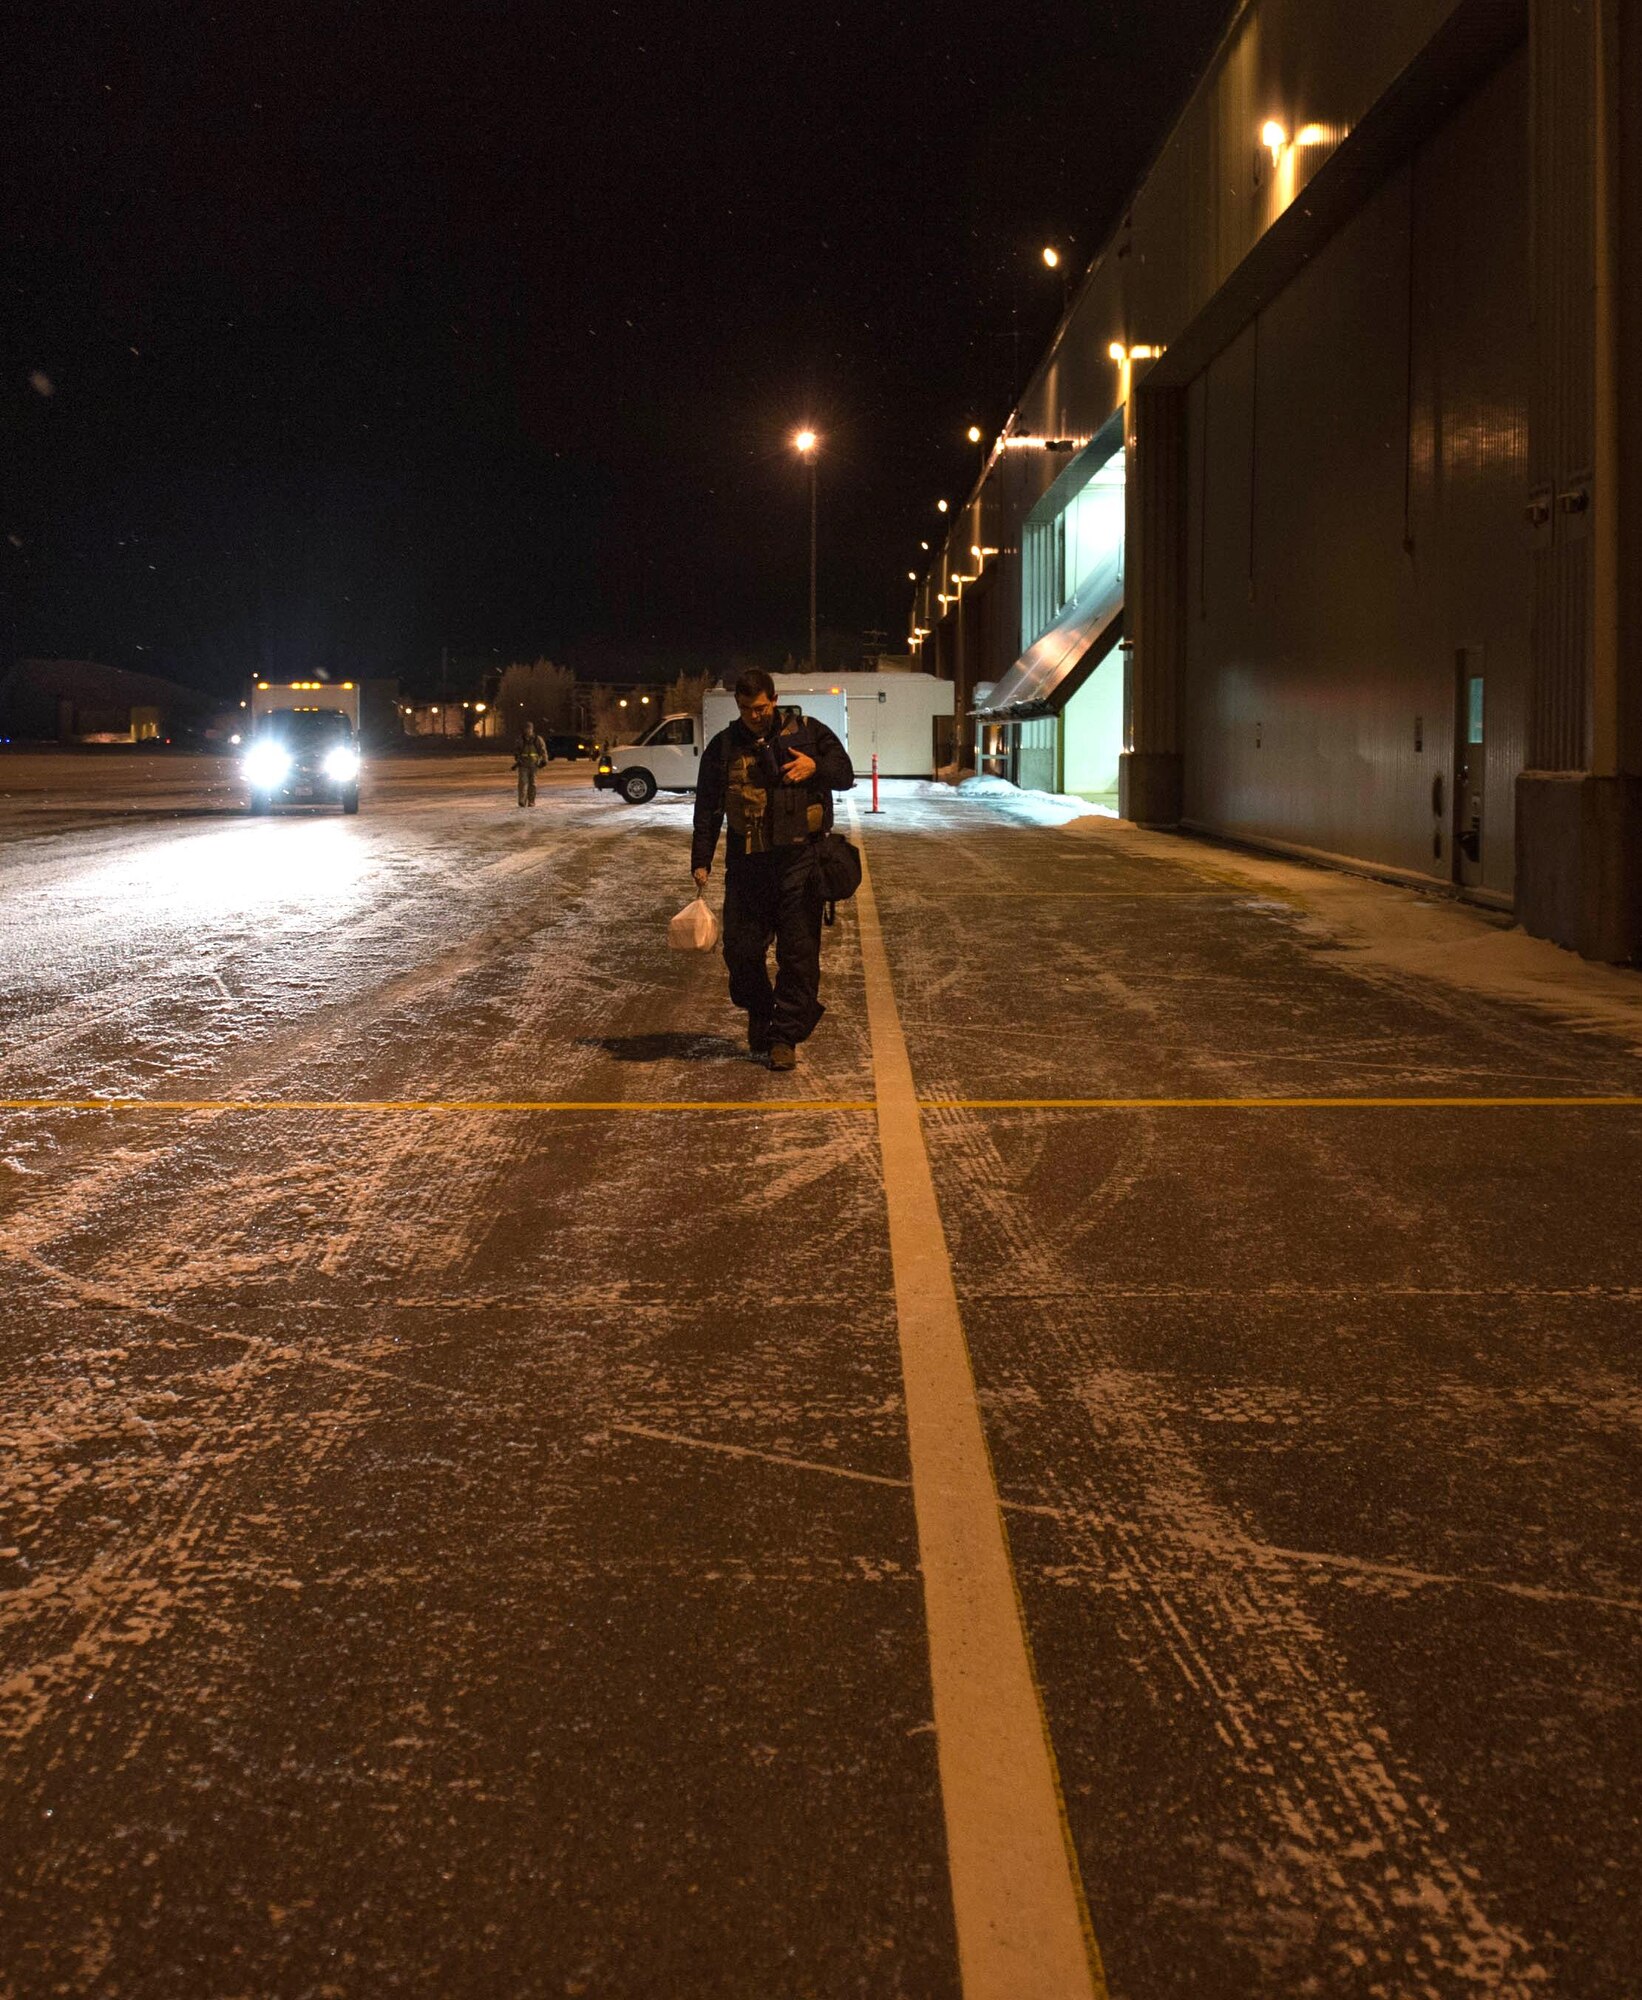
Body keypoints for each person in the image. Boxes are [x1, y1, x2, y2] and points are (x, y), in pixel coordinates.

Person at [691, 669, 854, 1071]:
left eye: (761, 707)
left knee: (798, 957)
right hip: (747, 866)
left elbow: (846, 775)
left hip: (800, 863)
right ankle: (761, 1011)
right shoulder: (724, 746)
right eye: (746, 709)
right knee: (741, 953)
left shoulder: (810, 733)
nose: (755, 716)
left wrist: (816, 767)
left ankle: (784, 1037)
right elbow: (708, 807)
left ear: (775, 699)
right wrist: (701, 859)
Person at [513, 723, 546, 806]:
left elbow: (543, 750)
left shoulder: (537, 739)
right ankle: (522, 801)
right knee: (522, 783)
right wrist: (517, 757)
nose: (528, 730)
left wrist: (544, 760)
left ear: (532, 729)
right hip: (523, 765)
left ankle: (531, 801)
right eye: (526, 729)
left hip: (534, 764)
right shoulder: (521, 739)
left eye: (529, 729)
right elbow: (516, 750)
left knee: (532, 784)